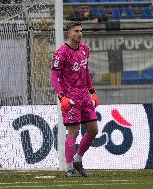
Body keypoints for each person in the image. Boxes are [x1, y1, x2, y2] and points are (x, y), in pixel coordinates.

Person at [50, 21, 99, 177]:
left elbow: (85, 72)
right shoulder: (61, 53)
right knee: (73, 132)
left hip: (84, 96)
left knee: (93, 130)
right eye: (76, 31)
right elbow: (54, 75)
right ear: (69, 33)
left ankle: (78, 159)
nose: (79, 33)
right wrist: (61, 96)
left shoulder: (85, 49)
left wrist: (92, 91)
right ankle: (70, 168)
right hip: (70, 98)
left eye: (81, 31)